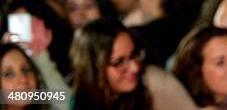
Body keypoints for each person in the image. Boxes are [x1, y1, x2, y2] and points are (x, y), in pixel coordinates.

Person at [70, 19, 200, 110]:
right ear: (94, 68)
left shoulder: (153, 82)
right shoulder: (72, 99)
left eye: (134, 55)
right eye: (119, 62)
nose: (135, 68)